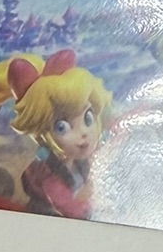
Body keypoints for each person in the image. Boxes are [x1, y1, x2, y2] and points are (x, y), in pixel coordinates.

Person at [8, 50, 111, 219]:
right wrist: (92, 210)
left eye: (87, 118)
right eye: (62, 127)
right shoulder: (50, 174)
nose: (84, 133)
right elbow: (66, 205)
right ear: (42, 134)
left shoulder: (79, 158)